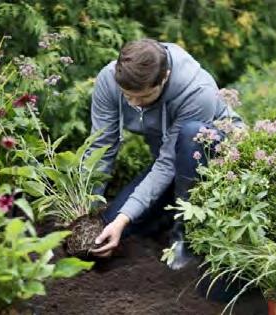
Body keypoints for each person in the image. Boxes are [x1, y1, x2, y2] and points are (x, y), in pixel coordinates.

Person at [84, 38, 244, 270]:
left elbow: (167, 164)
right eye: (127, 96)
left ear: (165, 76)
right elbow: (100, 147)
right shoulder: (109, 80)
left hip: (216, 165)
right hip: (170, 170)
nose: (135, 104)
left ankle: (185, 237)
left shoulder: (196, 90)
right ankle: (165, 213)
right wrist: (87, 212)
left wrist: (124, 218)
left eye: (144, 97)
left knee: (192, 134)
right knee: (102, 234)